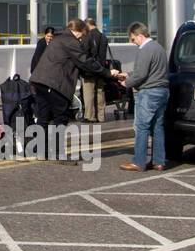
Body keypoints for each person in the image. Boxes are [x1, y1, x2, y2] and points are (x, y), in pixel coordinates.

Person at [29, 19, 119, 159]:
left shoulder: (59, 38)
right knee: (61, 117)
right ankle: (57, 153)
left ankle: (40, 150)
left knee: (44, 117)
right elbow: (85, 61)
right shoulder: (70, 41)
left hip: (40, 81)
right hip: (55, 84)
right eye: (81, 35)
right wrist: (108, 73)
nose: (82, 38)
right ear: (77, 31)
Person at [119, 22, 171, 171]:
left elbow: (142, 74)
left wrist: (126, 83)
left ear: (140, 36)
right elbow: (151, 71)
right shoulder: (159, 48)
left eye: (133, 39)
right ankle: (158, 161)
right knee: (157, 127)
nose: (133, 43)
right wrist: (129, 74)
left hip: (149, 92)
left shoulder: (145, 49)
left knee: (142, 127)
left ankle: (139, 162)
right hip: (162, 91)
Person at [81, 17, 111, 123]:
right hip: (101, 69)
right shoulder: (103, 37)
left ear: (87, 26)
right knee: (100, 92)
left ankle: (90, 116)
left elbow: (85, 53)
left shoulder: (87, 36)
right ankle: (101, 116)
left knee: (89, 93)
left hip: (90, 70)